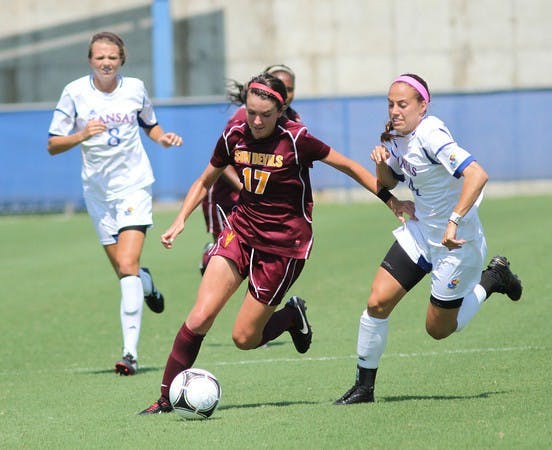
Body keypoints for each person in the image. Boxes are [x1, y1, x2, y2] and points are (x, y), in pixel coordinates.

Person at [139, 72, 415, 414]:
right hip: (239, 232)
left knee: (244, 338)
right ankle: (165, 399)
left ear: (281, 110)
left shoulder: (297, 139)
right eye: (250, 112)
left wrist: (392, 201)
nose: (255, 121)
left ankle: (290, 317)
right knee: (200, 316)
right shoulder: (234, 133)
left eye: (265, 115)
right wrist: (180, 219)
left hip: (283, 248)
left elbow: (349, 167)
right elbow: (205, 178)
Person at [334, 73, 523, 405]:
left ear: (423, 106)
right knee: (377, 302)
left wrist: (454, 220)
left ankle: (493, 279)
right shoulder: (396, 136)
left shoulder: (430, 134)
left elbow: (477, 175)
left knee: (438, 330)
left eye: (402, 104)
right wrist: (381, 164)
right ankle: (364, 388)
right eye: (390, 104)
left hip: (457, 243)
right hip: (421, 233)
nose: (394, 110)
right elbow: (390, 182)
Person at [47, 31, 183, 376]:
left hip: (134, 186)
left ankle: (130, 354)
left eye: (112, 57)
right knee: (126, 271)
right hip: (97, 194)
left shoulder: (135, 88)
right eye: (99, 57)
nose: (106, 63)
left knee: (126, 266)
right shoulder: (74, 92)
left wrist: (162, 139)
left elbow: (149, 125)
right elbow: (53, 144)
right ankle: (147, 283)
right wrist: (81, 135)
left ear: (122, 59)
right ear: (90, 60)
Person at [199, 64, 301, 275]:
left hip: (257, 200)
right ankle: (210, 254)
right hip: (226, 196)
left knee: (257, 260)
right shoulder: (246, 117)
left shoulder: (292, 118)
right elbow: (223, 162)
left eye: (290, 89)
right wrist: (247, 188)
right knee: (227, 256)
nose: (286, 93)